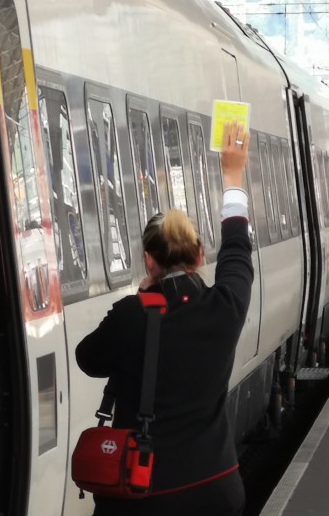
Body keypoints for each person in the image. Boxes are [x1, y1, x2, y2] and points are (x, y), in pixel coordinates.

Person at [76, 122, 253, 516]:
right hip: (215, 493)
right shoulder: (225, 307)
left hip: (142, 498)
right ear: (200, 255)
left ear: (149, 261)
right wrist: (233, 175)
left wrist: (142, 300)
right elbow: (238, 248)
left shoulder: (130, 316)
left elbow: (87, 359)